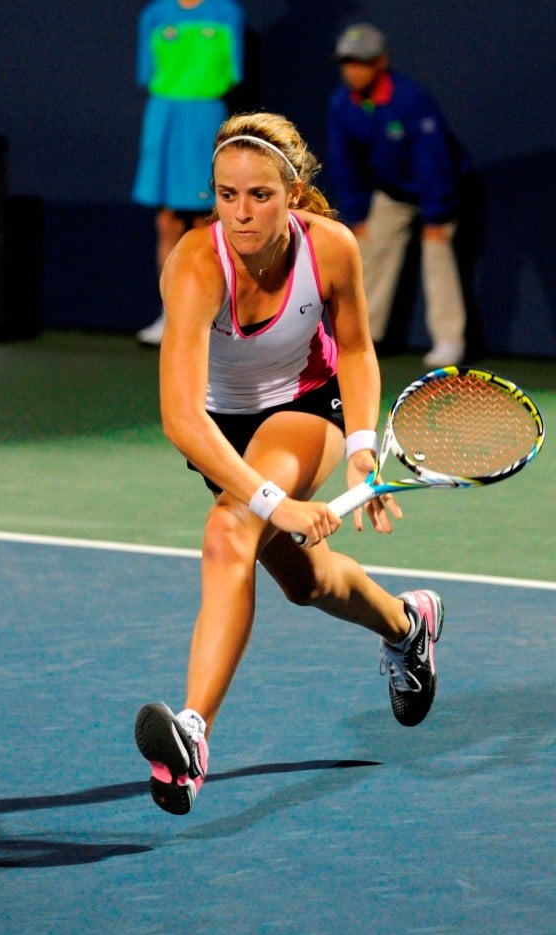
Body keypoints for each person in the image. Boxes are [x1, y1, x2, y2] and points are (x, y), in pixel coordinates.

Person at [133, 111, 445, 816]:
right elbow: (183, 418)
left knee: (227, 534)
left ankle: (191, 736)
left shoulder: (330, 248)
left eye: (261, 195)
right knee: (304, 581)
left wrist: (363, 444)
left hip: (308, 407)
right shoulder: (193, 263)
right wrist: (276, 501)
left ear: (294, 191)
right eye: (226, 194)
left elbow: (358, 349)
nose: (242, 213)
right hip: (221, 430)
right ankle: (406, 625)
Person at [327, 23, 478, 367]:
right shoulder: (341, 103)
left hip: (437, 189)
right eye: (347, 62)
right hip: (392, 192)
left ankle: (449, 342)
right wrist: (358, 215)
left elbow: (433, 162)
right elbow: (343, 161)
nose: (353, 70)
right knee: (367, 252)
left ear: (381, 62)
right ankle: (362, 338)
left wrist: (436, 216)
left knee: (437, 257)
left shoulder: (411, 100)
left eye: (361, 62)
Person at [132, 0, 245, 346]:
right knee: (167, 220)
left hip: (204, 119)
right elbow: (147, 72)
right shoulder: (154, 15)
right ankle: (171, 314)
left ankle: (211, 316)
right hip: (164, 117)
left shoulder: (227, 13)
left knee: (205, 223)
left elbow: (232, 72)